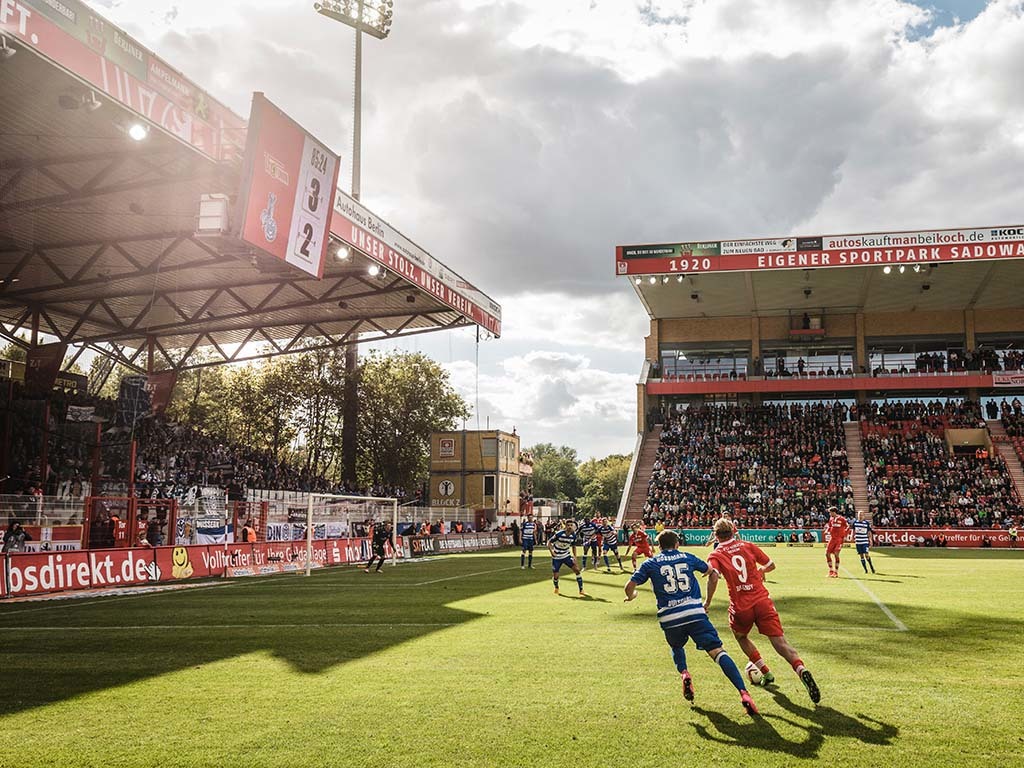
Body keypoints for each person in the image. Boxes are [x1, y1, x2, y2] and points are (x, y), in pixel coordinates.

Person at [624, 529, 758, 715]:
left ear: (660, 546)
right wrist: (707, 601)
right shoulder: (688, 557)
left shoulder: (650, 562)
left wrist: (632, 596)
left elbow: (629, 586)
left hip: (669, 617)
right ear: (677, 543)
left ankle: (685, 673)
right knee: (717, 652)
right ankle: (744, 693)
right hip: (695, 613)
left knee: (677, 647)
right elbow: (713, 573)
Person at [704, 518, 821, 704]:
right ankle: (800, 669)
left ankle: (765, 671)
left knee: (741, 637)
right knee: (781, 643)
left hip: (741, 605)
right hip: (762, 600)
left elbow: (714, 577)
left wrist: (707, 602)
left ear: (716, 536)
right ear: (734, 530)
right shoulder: (748, 545)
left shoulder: (716, 554)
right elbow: (771, 564)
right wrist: (761, 572)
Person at [548, 520, 586, 596]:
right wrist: (552, 552)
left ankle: (581, 590)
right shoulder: (559, 534)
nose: (569, 527)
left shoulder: (574, 535)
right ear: (565, 526)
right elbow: (549, 542)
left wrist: (575, 556)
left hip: (566, 556)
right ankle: (556, 587)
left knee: (577, 570)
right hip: (557, 557)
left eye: (571, 525)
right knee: (556, 575)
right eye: (568, 525)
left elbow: (574, 546)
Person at [824, 506, 850, 577]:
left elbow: (848, 526)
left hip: (839, 539)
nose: (829, 514)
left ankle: (836, 571)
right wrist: (827, 530)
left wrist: (845, 535)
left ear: (833, 512)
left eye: (830, 513)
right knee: (827, 553)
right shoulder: (831, 519)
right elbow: (829, 526)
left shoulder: (842, 519)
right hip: (832, 539)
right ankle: (831, 570)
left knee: (836, 554)